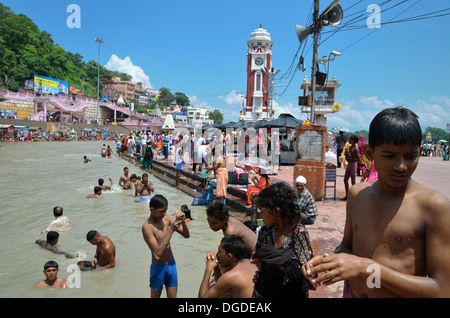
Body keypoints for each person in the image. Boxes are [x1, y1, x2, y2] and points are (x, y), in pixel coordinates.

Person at [302, 107, 450, 298]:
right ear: (370, 153)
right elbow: (347, 245)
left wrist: (367, 268)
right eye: (389, 156)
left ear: (420, 152)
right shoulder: (357, 194)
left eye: (411, 156)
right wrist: (329, 261)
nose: (401, 166)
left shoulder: (433, 206)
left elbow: (442, 289)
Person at [250, 182, 314, 298]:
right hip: (262, 291)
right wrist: (262, 268)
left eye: (262, 211)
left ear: (276, 212)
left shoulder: (298, 233)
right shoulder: (266, 231)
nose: (261, 215)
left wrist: (268, 256)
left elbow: (302, 272)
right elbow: (258, 255)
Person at [142, 194, 190, 298]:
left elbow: (186, 235)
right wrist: (171, 231)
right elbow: (158, 253)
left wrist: (183, 221)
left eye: (166, 210)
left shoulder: (166, 219)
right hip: (158, 268)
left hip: (171, 264)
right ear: (152, 209)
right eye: (161, 211)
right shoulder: (147, 227)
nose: (164, 214)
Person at [342, 135, 360, 201]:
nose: (349, 140)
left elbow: (358, 158)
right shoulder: (350, 147)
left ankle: (354, 196)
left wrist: (351, 159)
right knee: (345, 180)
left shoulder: (355, 148)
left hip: (353, 165)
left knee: (353, 181)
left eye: (350, 139)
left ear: (353, 140)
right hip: (350, 164)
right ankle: (347, 195)